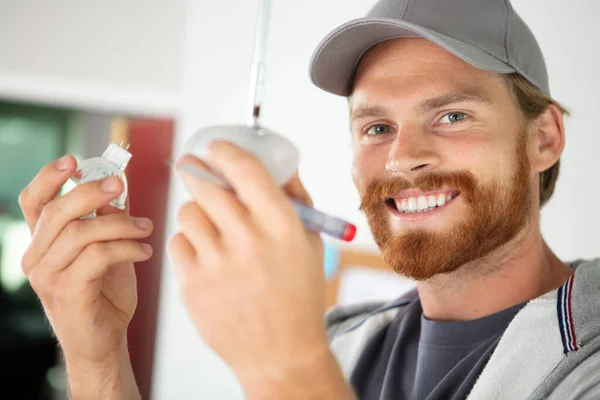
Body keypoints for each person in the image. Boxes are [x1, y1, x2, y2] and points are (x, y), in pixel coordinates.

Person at [17, 0, 599, 399]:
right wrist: (98, 358)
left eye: (451, 115)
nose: (402, 158)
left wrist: (287, 368)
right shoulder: (340, 343)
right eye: (376, 128)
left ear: (543, 137)